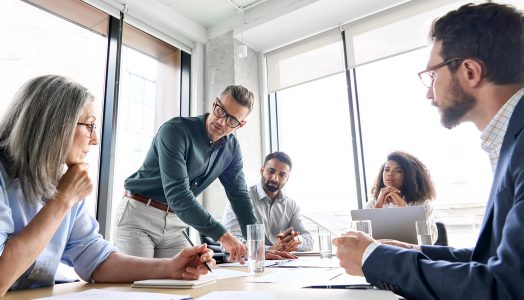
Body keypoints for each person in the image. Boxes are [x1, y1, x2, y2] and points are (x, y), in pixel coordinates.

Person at [333, 3, 524, 299]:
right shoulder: (510, 140)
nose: (428, 92)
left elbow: (508, 287)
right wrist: (416, 250)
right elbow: (493, 261)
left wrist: (374, 259)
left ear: (470, 71)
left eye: (432, 76)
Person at [0, 75, 215, 299]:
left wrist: (171, 267)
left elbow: (94, 258)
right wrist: (63, 200)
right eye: (90, 126)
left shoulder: (62, 181)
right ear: (55, 126)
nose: (94, 140)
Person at [115, 85, 258, 263]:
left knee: (194, 278)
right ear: (214, 104)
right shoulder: (175, 131)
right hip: (139, 217)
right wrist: (223, 236)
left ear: (241, 125)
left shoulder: (232, 148)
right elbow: (178, 195)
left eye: (232, 121)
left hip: (175, 225)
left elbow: (240, 196)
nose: (221, 122)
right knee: (138, 285)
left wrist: (258, 245)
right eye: (220, 111)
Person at [222, 151, 313, 257]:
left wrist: (295, 240)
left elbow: (309, 239)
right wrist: (268, 250)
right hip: (249, 264)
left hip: (282, 264)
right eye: (271, 171)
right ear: (262, 170)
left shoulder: (291, 205)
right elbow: (230, 241)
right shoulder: (240, 198)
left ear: (287, 178)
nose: (275, 178)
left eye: (282, 174)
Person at [366, 150, 438, 242]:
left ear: (408, 176)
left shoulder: (423, 205)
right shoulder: (372, 204)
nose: (390, 174)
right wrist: (377, 208)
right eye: (387, 170)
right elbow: (363, 241)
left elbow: (428, 240)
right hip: (383, 254)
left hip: (411, 254)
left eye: (398, 171)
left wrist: (404, 209)